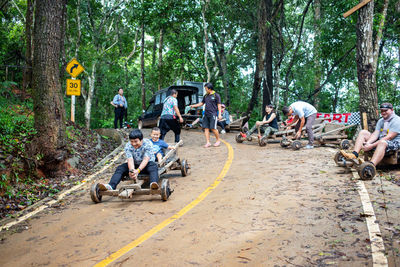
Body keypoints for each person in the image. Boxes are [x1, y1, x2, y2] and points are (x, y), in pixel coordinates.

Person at [189, 83, 222, 147]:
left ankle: (218, 140)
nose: (205, 90)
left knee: (213, 128)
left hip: (213, 114)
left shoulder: (216, 95)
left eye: (206, 88)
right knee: (206, 128)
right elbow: (201, 103)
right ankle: (208, 142)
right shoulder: (206, 96)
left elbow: (219, 105)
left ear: (209, 89)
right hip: (206, 114)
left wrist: (219, 114)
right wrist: (193, 105)